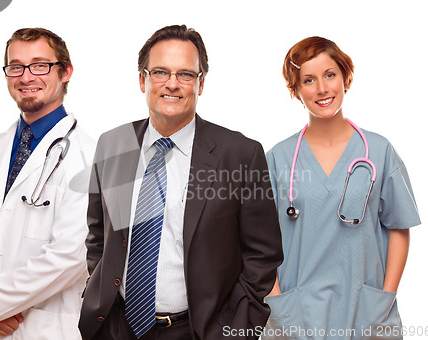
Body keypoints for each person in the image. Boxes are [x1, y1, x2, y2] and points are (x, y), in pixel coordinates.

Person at [79, 24, 283, 340]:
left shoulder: (240, 154)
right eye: (160, 72)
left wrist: (235, 328)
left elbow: (263, 255)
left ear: (200, 85)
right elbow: (98, 235)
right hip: (117, 328)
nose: (172, 84)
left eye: (186, 75)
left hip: (198, 331)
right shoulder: (114, 144)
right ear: (142, 79)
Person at [263, 36, 421, 339]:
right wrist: (276, 300)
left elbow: (399, 227)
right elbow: (260, 241)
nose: (322, 89)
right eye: (308, 80)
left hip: (366, 311)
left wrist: (384, 299)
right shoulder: (278, 158)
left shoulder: (379, 150)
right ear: (296, 91)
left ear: (346, 77)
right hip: (296, 315)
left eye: (330, 75)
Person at [0, 27, 94, 339]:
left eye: (40, 65)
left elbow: (72, 253)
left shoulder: (90, 156)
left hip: (39, 327)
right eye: (15, 66)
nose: (26, 77)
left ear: (65, 72)